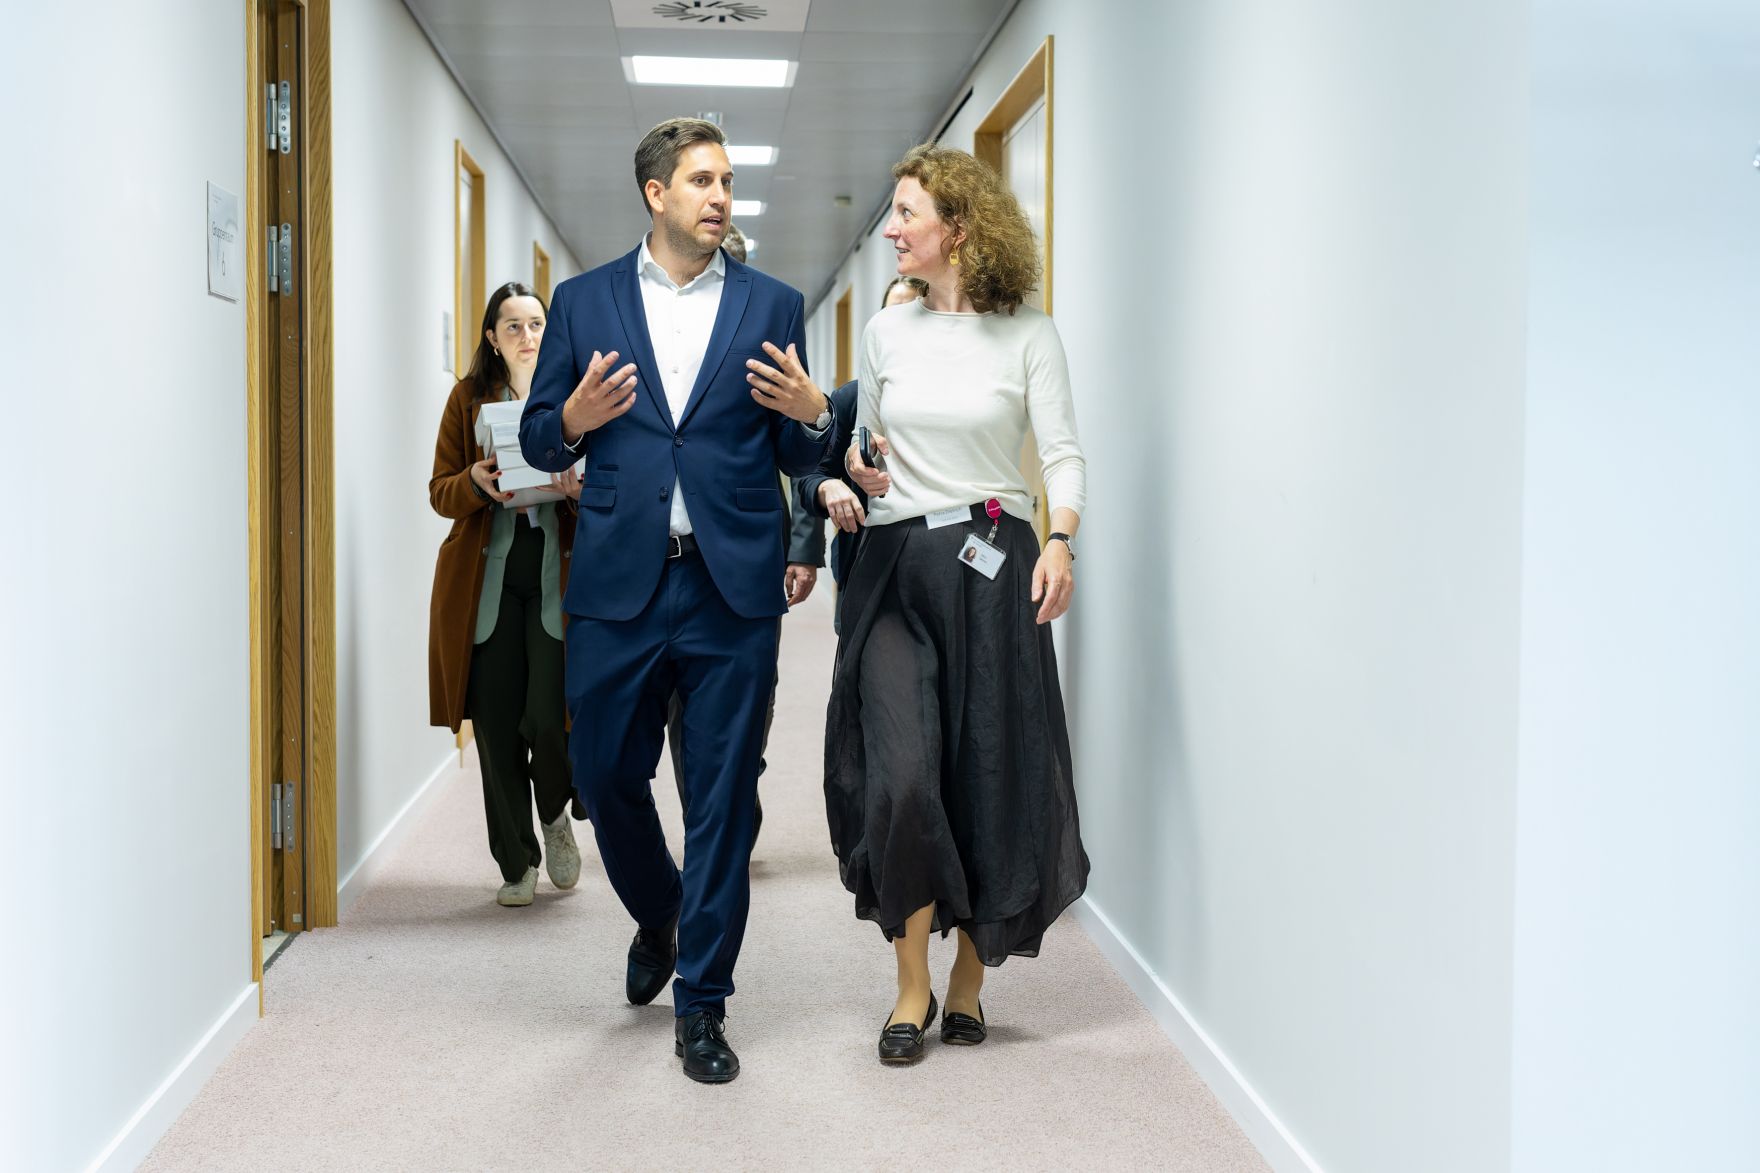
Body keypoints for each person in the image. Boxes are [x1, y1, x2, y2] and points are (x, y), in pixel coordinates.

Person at [519, 117, 833, 1084]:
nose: (720, 196)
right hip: (619, 579)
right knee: (606, 773)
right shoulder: (583, 301)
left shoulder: (773, 303)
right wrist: (570, 417)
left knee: (725, 799)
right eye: (702, 180)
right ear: (655, 193)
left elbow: (799, 454)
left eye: (727, 181)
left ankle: (703, 999)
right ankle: (658, 909)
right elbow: (539, 440)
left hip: (728, 584)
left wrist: (813, 416)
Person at [825, 144, 1089, 1064]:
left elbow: (1060, 452)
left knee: (990, 768)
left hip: (992, 563)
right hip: (894, 566)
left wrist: (1061, 539)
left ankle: (970, 980)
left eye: (906, 214)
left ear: (959, 227)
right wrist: (854, 470)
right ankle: (910, 987)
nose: (892, 230)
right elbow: (867, 444)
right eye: (894, 214)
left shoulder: (1029, 334)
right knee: (901, 775)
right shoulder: (887, 332)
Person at [663, 215, 825, 830]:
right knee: (683, 702)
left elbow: (798, 456)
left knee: (753, 692)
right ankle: (707, 810)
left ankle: (737, 784)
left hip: (752, 545)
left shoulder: (767, 330)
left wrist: (803, 546)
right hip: (675, 551)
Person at [427, 281, 584, 907]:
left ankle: (554, 817)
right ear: (492, 338)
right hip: (486, 581)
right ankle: (516, 862)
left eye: (536, 324)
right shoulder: (467, 400)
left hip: (553, 574)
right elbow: (440, 490)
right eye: (512, 326)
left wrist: (577, 489)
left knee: (548, 717)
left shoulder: (575, 399)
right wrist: (474, 480)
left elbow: (612, 483)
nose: (526, 336)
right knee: (494, 725)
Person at [793, 276, 926, 632]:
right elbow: (808, 472)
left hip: (935, 562)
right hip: (867, 559)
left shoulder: (956, 403)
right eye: (892, 316)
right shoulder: (852, 399)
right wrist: (827, 488)